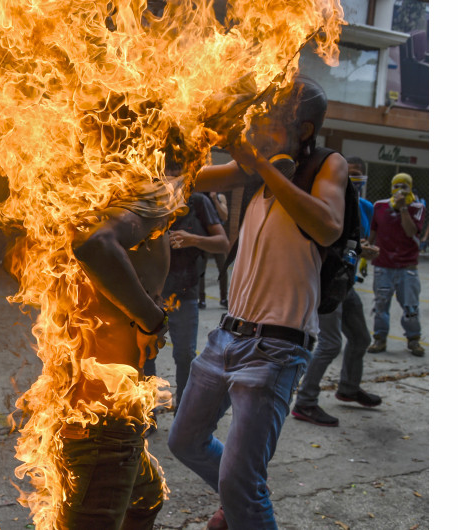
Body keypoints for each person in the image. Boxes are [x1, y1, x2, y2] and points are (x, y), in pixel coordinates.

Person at [167, 75, 347, 529]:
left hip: (277, 347)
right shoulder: (253, 169)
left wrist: (262, 166)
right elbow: (182, 182)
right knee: (184, 442)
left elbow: (327, 226)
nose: (257, 128)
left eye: (268, 121)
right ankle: (240, 498)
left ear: (302, 129)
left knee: (243, 480)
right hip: (227, 335)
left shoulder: (327, 164)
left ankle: (242, 499)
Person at [44, 174, 185, 528]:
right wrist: (151, 319)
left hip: (106, 411)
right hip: (102, 424)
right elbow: (96, 244)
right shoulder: (143, 203)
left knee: (146, 501)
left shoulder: (92, 201)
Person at [290, 156, 382, 427]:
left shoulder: (364, 206)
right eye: (349, 174)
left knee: (361, 338)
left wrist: (364, 250)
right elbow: (322, 240)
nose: (353, 180)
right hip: (325, 282)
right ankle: (305, 402)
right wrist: (355, 249)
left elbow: (358, 240)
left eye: (358, 175)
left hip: (346, 281)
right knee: (330, 343)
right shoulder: (323, 201)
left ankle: (348, 388)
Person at [143, 192, 228, 417]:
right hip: (149, 292)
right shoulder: (147, 198)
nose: (170, 177)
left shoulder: (198, 201)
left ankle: (183, 411)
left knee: (185, 354)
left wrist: (193, 240)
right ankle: (148, 412)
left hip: (184, 290)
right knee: (145, 354)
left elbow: (222, 243)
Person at [365, 172, 427, 356]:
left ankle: (413, 339)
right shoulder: (380, 206)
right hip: (383, 265)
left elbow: (410, 232)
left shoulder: (417, 208)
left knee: (410, 307)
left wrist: (403, 209)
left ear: (410, 187)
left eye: (404, 187)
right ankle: (380, 338)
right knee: (381, 305)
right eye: (396, 186)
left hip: (407, 266)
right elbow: (373, 233)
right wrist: (365, 255)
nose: (400, 190)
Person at [197, 192, 231, 309]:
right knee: (201, 270)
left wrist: (215, 200)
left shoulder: (220, 197)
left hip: (217, 237)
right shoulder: (200, 198)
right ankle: (201, 299)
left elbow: (225, 216)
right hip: (204, 236)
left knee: (223, 269)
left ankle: (223, 298)